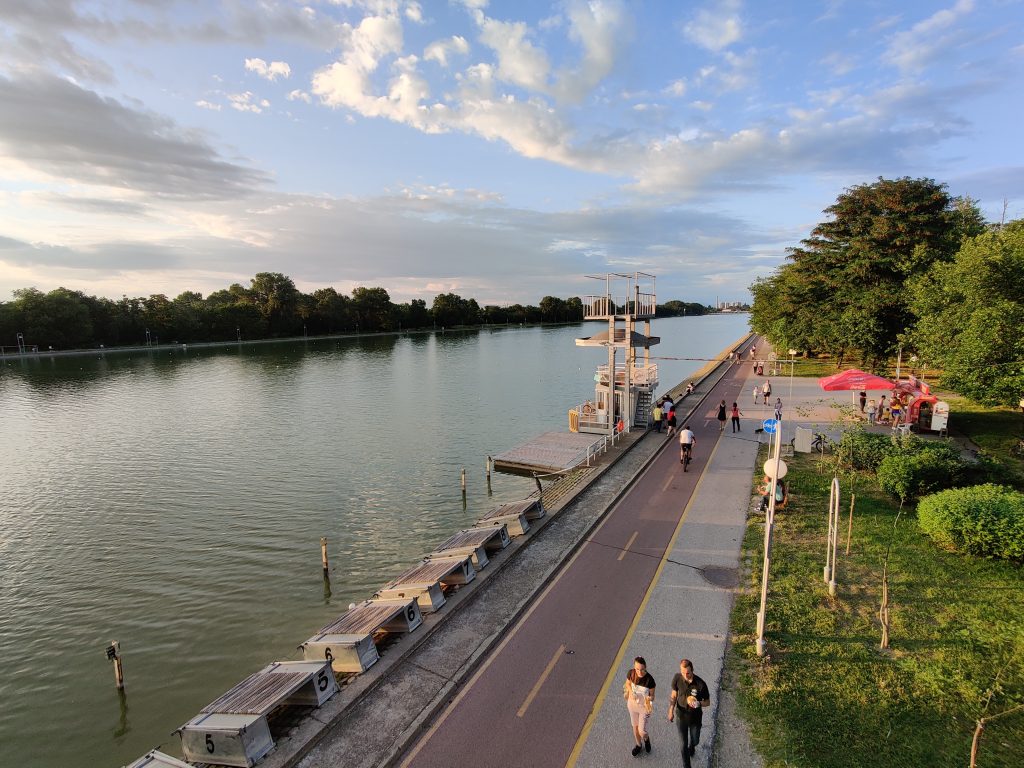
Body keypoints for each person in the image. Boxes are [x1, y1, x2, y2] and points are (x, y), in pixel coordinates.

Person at [668, 658, 710, 767]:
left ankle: (692, 746)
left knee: (695, 740)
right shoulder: (677, 678)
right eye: (683, 672)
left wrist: (699, 704)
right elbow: (673, 695)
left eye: (688, 673)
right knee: (683, 745)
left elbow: (708, 702)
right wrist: (671, 709)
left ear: (692, 670)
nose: (685, 675)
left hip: (695, 718)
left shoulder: (701, 684)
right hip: (681, 717)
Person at [623, 656, 656, 756]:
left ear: (645, 667)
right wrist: (630, 691)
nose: (639, 672)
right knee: (635, 727)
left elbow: (653, 696)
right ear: (634, 667)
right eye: (637, 669)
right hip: (632, 705)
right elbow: (627, 684)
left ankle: (646, 739)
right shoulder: (631, 673)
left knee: (642, 731)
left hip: (644, 707)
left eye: (642, 669)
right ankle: (638, 745)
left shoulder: (650, 680)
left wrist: (650, 698)